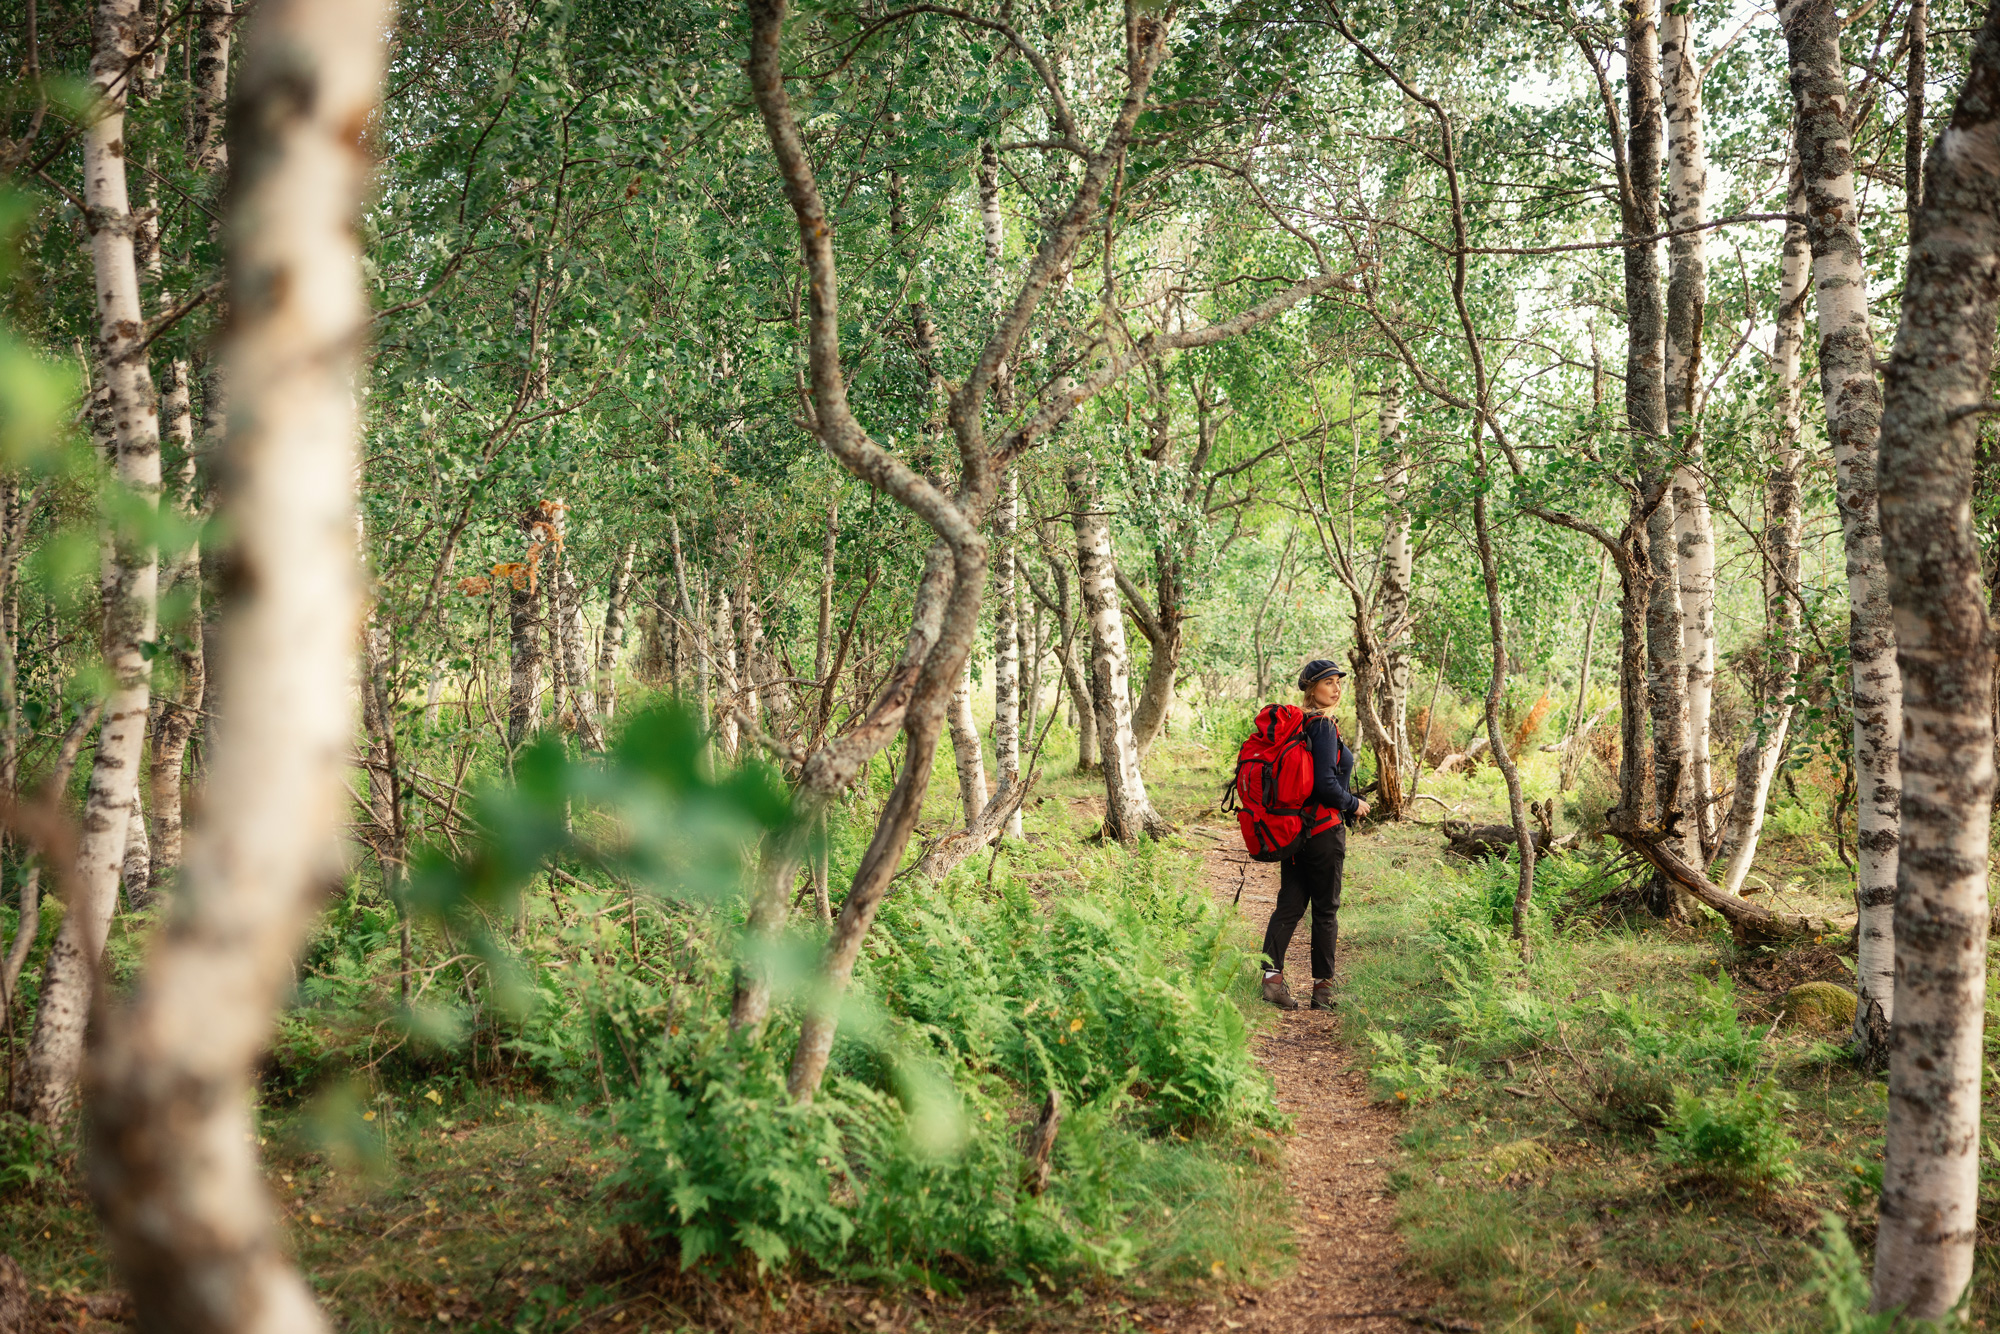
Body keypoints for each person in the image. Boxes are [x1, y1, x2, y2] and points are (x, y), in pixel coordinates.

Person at [1260, 658, 1369, 1011]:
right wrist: (1353, 804)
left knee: (1289, 906)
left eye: (1338, 682)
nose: (1336, 689)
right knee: (1325, 911)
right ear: (1312, 689)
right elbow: (1324, 784)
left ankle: (1271, 981)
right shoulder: (1321, 725)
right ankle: (1322, 992)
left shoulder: (1299, 724)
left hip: (1295, 832)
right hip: (1323, 832)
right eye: (1328, 683)